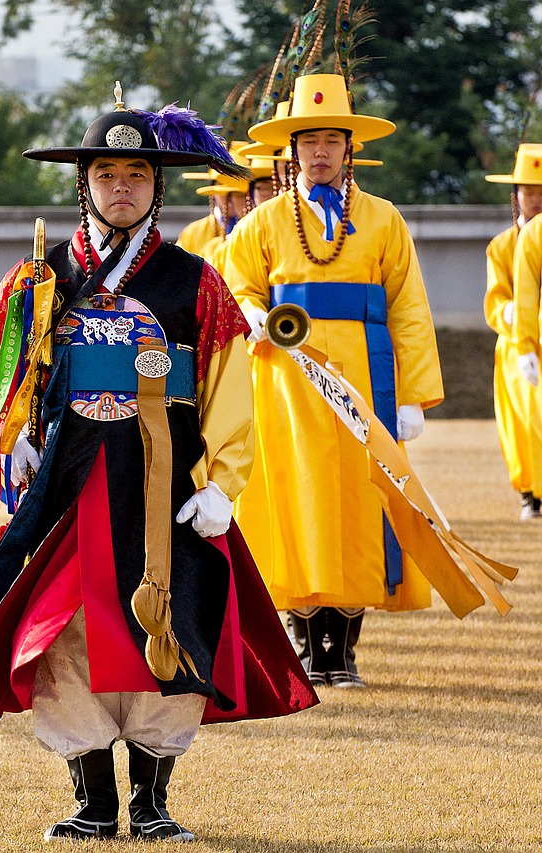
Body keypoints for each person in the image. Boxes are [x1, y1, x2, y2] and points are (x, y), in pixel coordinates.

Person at [0, 88, 316, 843]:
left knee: (173, 622)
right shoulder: (40, 278)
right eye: (106, 174)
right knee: (66, 630)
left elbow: (228, 384)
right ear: (81, 183)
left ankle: (153, 800)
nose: (121, 187)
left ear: (157, 187)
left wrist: (222, 481)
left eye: (137, 175)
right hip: (68, 481)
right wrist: (8, 432)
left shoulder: (198, 282)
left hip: (170, 487)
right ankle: (92, 800)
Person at [226, 72, 444, 688]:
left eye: (331, 140)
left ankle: (343, 641)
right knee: (298, 497)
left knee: (359, 500)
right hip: (288, 383)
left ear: (350, 148)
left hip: (366, 382)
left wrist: (411, 396)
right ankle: (303, 633)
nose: (319, 152)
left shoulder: (383, 219)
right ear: (290, 150)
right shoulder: (263, 222)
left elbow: (408, 305)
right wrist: (252, 313)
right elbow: (233, 284)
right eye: (307, 141)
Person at [485, 145, 542, 519]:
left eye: (541, 192)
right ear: (515, 195)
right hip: (516, 347)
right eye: (528, 191)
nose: (535, 199)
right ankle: (529, 493)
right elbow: (495, 300)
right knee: (521, 422)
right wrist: (517, 315)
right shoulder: (503, 245)